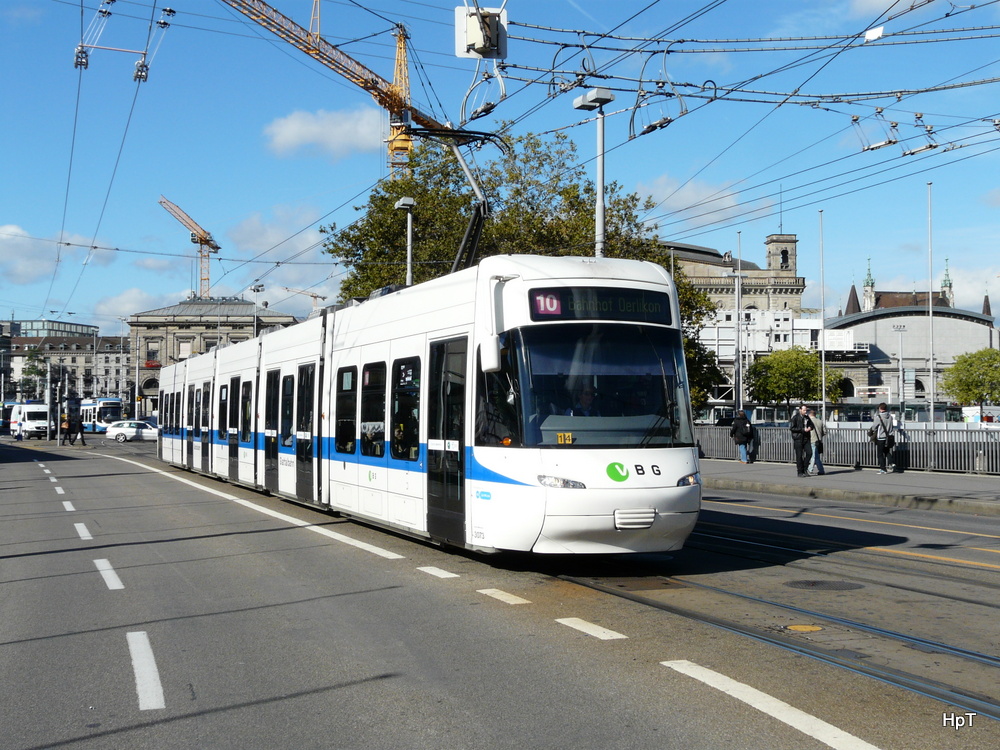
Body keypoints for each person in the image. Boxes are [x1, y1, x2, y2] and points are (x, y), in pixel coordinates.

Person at [789, 404, 813, 477]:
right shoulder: (795, 418)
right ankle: (800, 471)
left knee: (809, 453)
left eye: (806, 410)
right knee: (799, 456)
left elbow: (812, 425)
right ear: (800, 410)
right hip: (798, 438)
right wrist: (802, 429)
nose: (805, 412)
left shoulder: (807, 417)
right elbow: (792, 428)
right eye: (804, 410)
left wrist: (810, 428)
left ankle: (805, 469)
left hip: (806, 438)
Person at [871, 402, 894, 474]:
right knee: (886, 451)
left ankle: (883, 469)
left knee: (880, 454)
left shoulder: (878, 417)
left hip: (881, 437)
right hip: (889, 437)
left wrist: (872, 431)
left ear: (880, 408)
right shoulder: (890, 416)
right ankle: (891, 462)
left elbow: (874, 427)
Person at [807, 408, 826, 475]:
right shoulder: (820, 421)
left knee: (814, 456)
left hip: (811, 440)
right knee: (816, 456)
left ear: (809, 415)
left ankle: (810, 469)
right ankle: (821, 470)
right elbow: (825, 432)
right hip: (818, 441)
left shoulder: (809, 422)